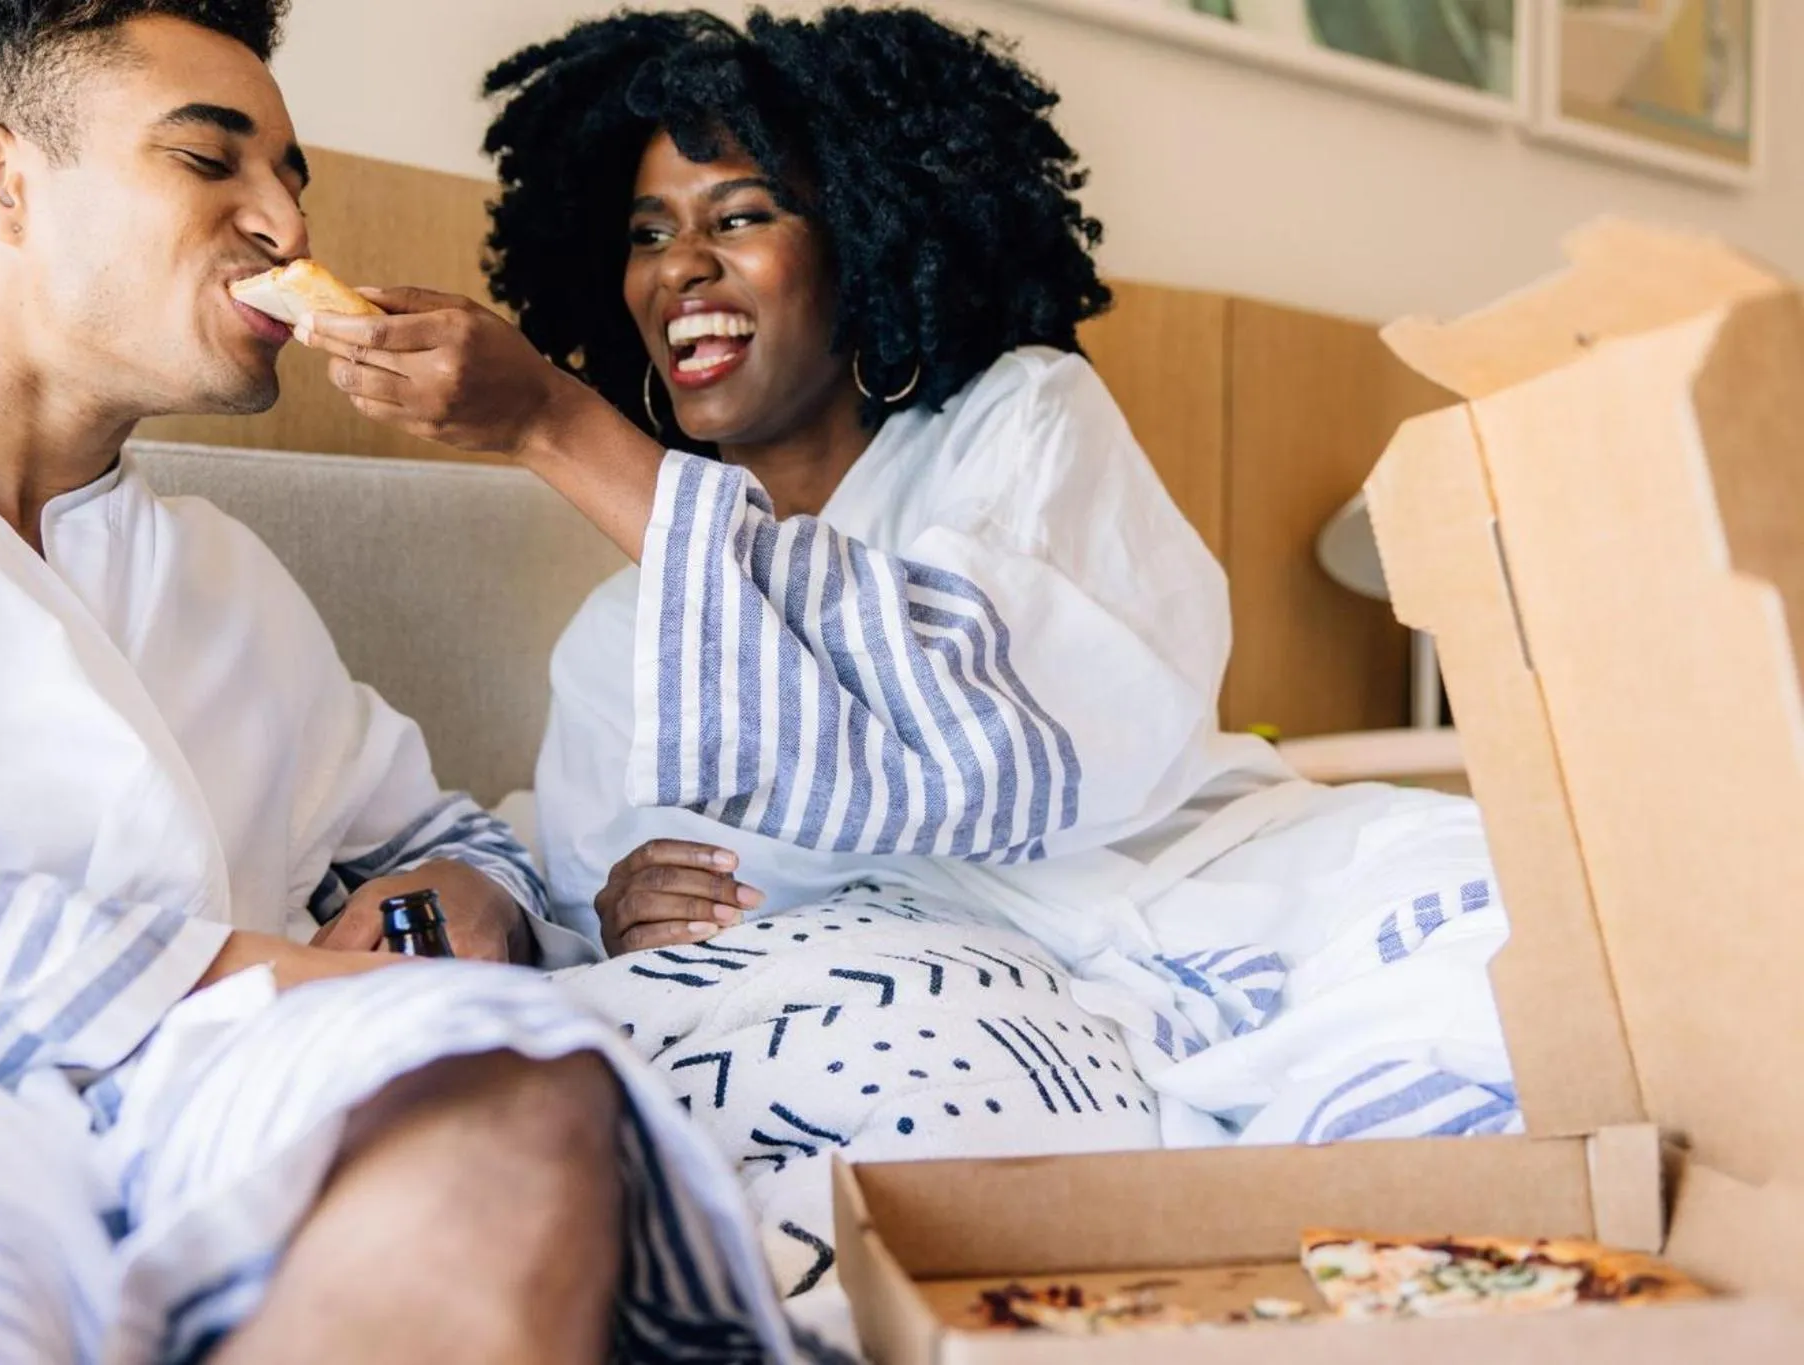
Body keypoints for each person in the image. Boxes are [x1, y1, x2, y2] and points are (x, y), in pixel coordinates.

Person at [298, 5, 1517, 1299]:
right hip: (938, 984)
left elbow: (988, 714)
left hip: (1215, 887)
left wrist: (555, 420)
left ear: (867, 237)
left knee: (1523, 935)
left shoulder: (1018, 419)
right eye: (649, 232)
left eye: (741, 214)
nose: (682, 268)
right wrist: (618, 912)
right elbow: (623, 907)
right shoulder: (621, 637)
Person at [0, 3, 800, 1362]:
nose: (287, 228)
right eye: (211, 162)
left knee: (519, 1084)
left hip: (223, 1098)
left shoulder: (216, 573)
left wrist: (462, 908)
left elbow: (446, 841)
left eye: (290, 177)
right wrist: (270, 973)